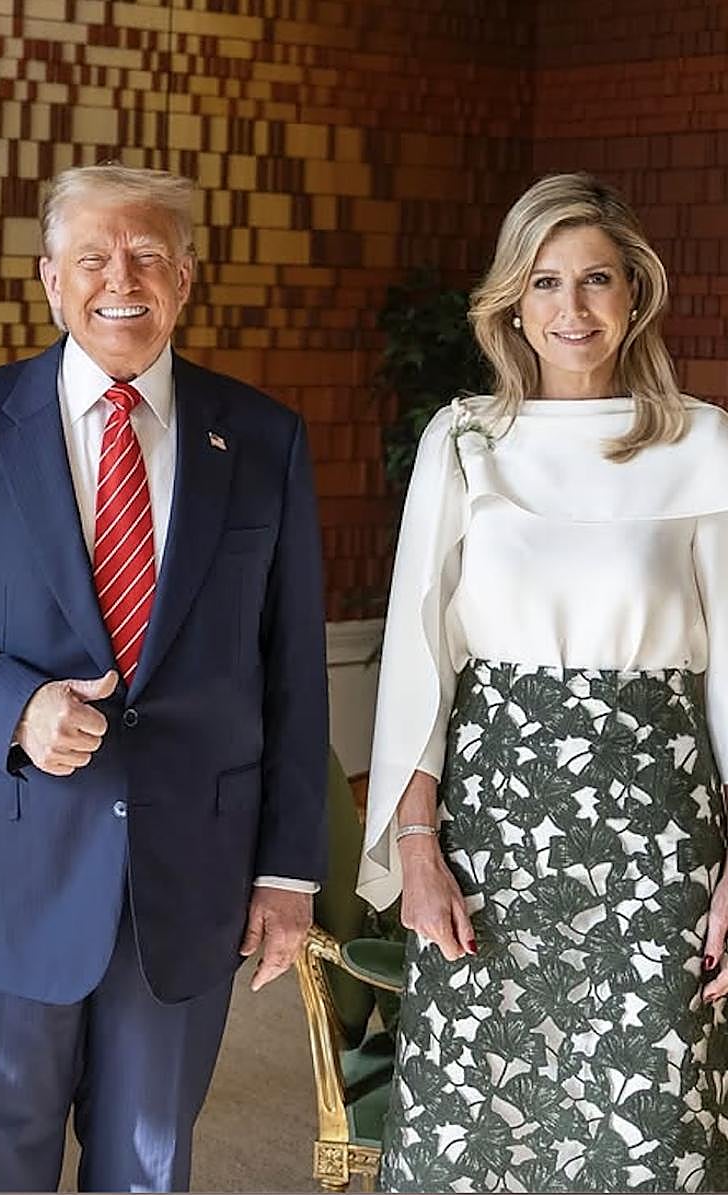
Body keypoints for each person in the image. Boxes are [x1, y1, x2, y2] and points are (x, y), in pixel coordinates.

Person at [0, 163, 328, 1192]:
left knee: (149, 1166)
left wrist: (289, 871)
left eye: (149, 255)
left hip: (187, 876)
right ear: (50, 279)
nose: (124, 278)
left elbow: (292, 668)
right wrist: (15, 707)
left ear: (186, 278)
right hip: (1, 866)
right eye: (95, 257)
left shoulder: (262, 439)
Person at [359, 171, 728, 1192]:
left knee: (649, 1119)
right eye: (547, 282)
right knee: (477, 1117)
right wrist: (419, 845)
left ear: (635, 294)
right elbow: (417, 658)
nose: (573, 309)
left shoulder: (704, 444)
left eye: (597, 279)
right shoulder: (467, 439)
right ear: (513, 303)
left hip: (658, 831)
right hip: (493, 825)